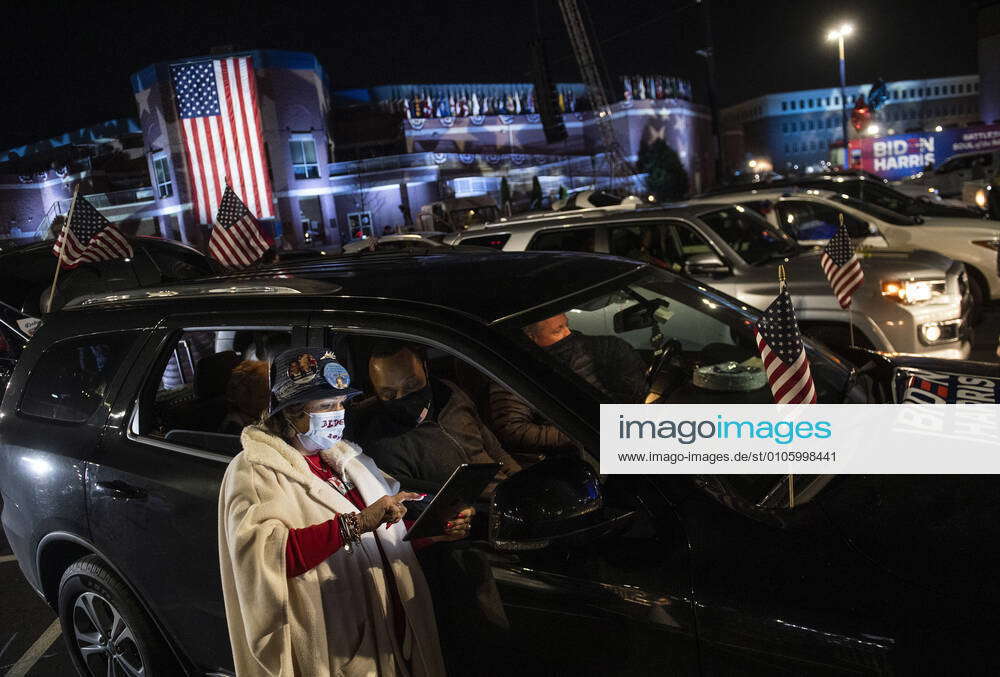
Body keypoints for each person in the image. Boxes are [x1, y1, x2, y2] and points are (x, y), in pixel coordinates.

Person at [219, 347, 472, 676]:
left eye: (340, 404)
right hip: (334, 638)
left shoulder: (348, 459)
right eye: (325, 406)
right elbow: (266, 558)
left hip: (388, 634)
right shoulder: (254, 470)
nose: (337, 413)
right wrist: (354, 524)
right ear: (292, 411)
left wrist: (434, 529)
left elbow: (386, 531)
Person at [357, 341, 520, 490]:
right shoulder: (385, 447)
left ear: (425, 369)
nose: (401, 397)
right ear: (376, 392)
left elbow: (496, 450)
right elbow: (418, 505)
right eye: (389, 394)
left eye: (411, 385)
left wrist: (522, 481)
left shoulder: (450, 394)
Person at [490, 313, 648, 452]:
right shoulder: (513, 371)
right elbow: (514, 430)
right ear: (532, 338)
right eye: (557, 330)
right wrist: (584, 435)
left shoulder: (594, 348)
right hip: (586, 452)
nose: (568, 333)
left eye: (567, 325)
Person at [218, 360, 269, 434]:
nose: (268, 401)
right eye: (262, 397)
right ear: (245, 398)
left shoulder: (253, 416)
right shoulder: (236, 429)